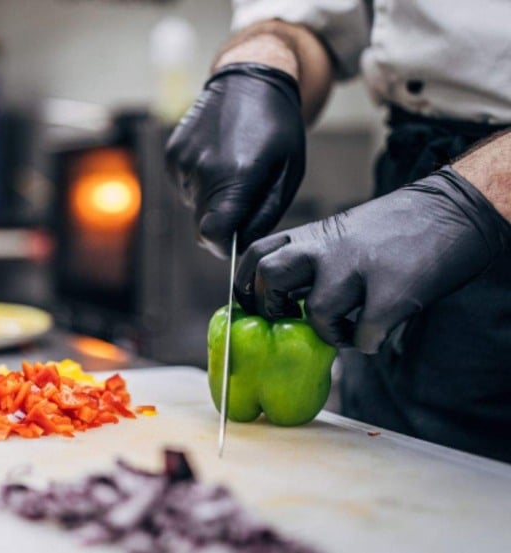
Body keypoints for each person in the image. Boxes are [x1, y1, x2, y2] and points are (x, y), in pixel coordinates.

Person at [165, 1, 511, 462]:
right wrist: (262, 66)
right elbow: (319, 21)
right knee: (398, 480)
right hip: (419, 173)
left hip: (477, 191)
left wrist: (477, 197)